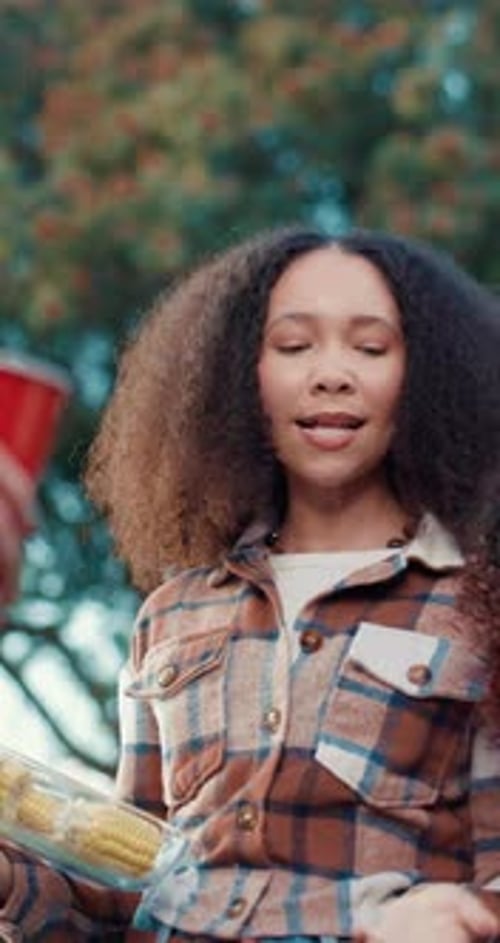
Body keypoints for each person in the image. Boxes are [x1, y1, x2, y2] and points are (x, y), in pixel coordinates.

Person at [0, 225, 500, 942]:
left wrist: (463, 916)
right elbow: (120, 892)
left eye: (370, 346)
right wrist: (15, 880)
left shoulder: (476, 608)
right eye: (294, 346)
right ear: (241, 376)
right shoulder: (171, 616)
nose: (331, 373)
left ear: (425, 377)